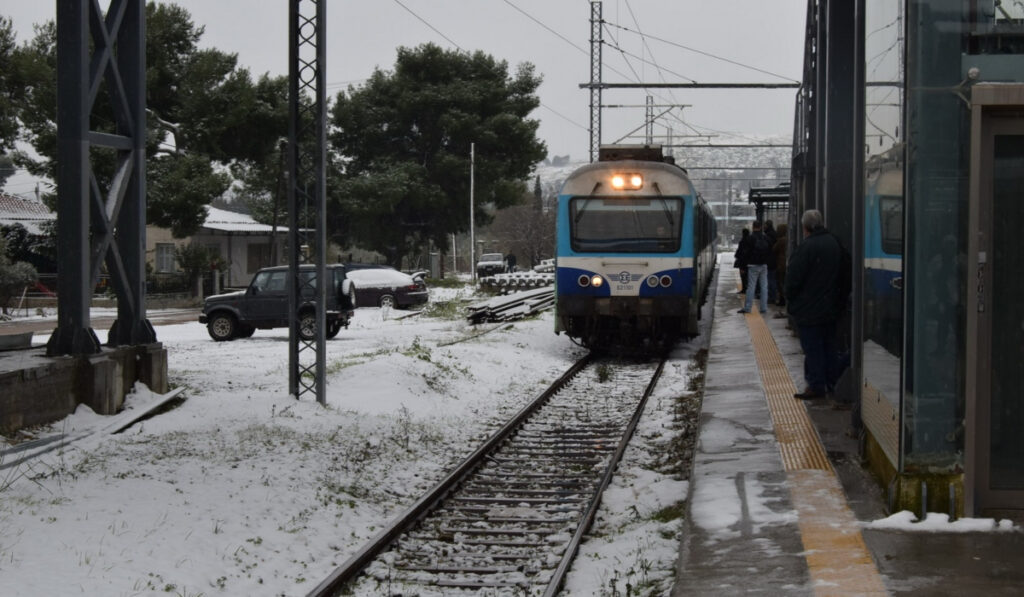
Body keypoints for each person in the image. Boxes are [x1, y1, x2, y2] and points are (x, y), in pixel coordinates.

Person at [785, 210, 842, 399]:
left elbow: (793, 279)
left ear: (805, 227)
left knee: (812, 349)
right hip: (831, 307)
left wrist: (792, 301)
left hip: (809, 309)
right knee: (829, 346)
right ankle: (832, 382)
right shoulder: (834, 243)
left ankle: (816, 385)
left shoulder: (806, 247)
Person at [738, 220, 771, 314]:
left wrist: (742, 267)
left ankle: (748, 308)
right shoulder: (765, 238)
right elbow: (769, 250)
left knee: (751, 287)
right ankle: (763, 308)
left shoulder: (750, 238)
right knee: (764, 287)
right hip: (764, 265)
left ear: (753, 227)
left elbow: (745, 253)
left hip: (752, 265)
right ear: (760, 227)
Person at [772, 223, 788, 308]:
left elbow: (774, 249)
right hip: (786, 263)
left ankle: (782, 299)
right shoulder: (788, 239)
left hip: (781, 264)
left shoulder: (781, 240)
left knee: (780, 282)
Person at [764, 219, 778, 302]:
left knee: (770, 279)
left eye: (765, 225)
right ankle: (772, 295)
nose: (764, 227)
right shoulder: (775, 234)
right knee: (772, 278)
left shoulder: (768, 236)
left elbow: (768, 248)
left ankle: (772, 297)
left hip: (770, 260)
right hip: (773, 260)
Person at [734, 228, 752, 294]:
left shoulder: (742, 241)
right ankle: (747, 289)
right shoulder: (750, 240)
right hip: (750, 261)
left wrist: (737, 256)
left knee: (743, 277)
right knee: (748, 277)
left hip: (743, 262)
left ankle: (744, 289)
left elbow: (740, 252)